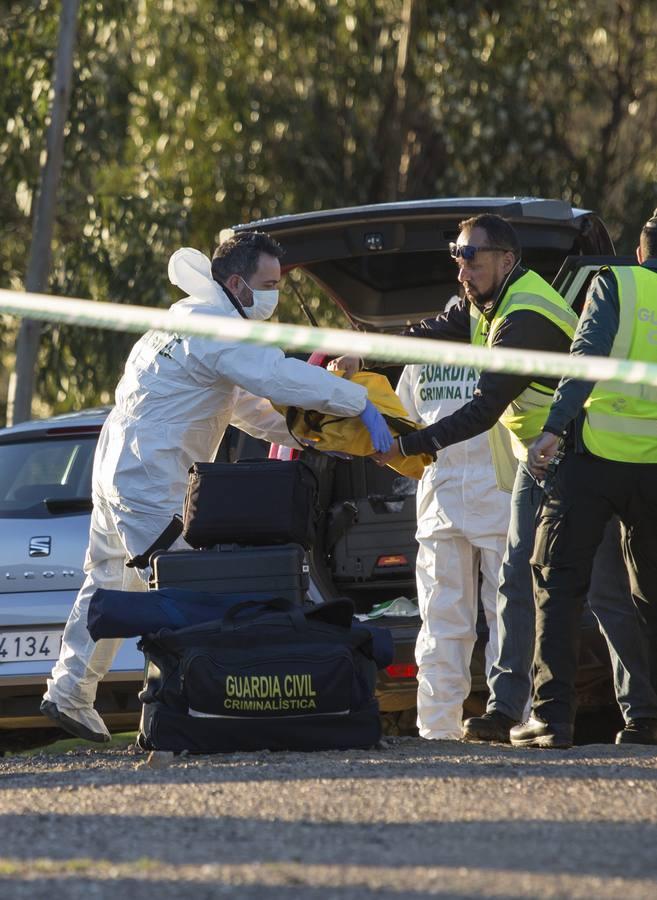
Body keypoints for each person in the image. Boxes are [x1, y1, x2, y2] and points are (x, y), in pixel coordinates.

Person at [41, 232, 392, 743]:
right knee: (179, 593)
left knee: (110, 582)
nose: (274, 295)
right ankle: (174, 716)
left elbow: (244, 406)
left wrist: (306, 436)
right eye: (268, 284)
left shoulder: (185, 318)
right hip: (149, 480)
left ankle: (70, 691)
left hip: (121, 468)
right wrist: (356, 402)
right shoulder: (217, 327)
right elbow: (275, 377)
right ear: (236, 283)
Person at [511, 215, 657, 749]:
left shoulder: (617, 283)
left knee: (558, 580)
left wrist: (552, 429)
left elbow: (586, 357)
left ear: (639, 253)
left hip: (595, 458)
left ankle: (551, 719)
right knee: (650, 594)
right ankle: (648, 719)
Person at [395, 296, 511, 740]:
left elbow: (403, 423)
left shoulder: (423, 356)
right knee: (505, 616)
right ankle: (511, 719)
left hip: (442, 498)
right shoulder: (503, 346)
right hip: (497, 495)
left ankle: (437, 728)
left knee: (443, 621)